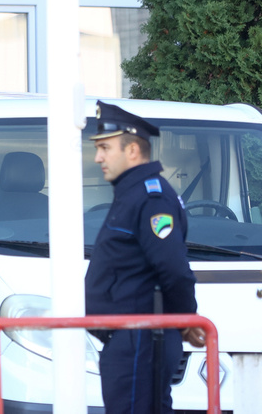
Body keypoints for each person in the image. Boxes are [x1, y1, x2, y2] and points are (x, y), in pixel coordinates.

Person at [85, 101, 207, 414]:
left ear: (133, 151)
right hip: (130, 339)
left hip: (142, 338)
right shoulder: (132, 193)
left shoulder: (151, 197)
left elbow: (173, 268)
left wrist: (185, 318)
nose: (98, 157)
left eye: (105, 148)